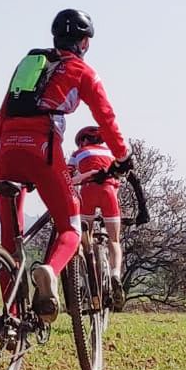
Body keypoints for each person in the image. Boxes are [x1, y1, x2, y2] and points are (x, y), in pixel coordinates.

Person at [0, 9, 131, 320]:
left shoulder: (29, 63)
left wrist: (7, 145)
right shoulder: (82, 71)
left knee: (10, 243)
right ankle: (49, 272)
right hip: (43, 149)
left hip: (6, 150)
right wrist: (123, 157)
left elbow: (2, 113)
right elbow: (106, 120)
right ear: (84, 42)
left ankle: (11, 318)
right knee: (70, 227)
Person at [70, 125, 126, 307]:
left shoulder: (78, 153)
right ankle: (115, 274)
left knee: (85, 240)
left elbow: (67, 176)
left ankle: (86, 277)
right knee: (115, 240)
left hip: (88, 191)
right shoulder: (111, 152)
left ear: (84, 140)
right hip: (110, 192)